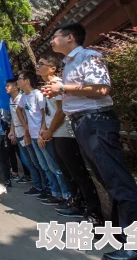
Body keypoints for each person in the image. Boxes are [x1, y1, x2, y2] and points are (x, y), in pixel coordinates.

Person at [42, 22, 137, 260]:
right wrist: (61, 91)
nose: (51, 41)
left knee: (118, 181)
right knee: (108, 181)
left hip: (96, 122)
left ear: (70, 38)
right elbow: (79, 91)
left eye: (55, 36)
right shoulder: (69, 64)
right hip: (84, 123)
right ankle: (119, 236)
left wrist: (64, 86)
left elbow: (102, 89)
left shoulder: (89, 56)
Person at [37, 54, 102, 220]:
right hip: (54, 133)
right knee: (67, 172)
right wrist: (44, 129)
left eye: (41, 63)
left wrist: (50, 130)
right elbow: (48, 112)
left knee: (77, 172)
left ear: (52, 68)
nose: (38, 66)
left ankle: (93, 210)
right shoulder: (47, 86)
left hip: (64, 133)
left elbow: (61, 111)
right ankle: (76, 202)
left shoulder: (57, 84)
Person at [17, 71, 70, 205]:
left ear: (27, 81)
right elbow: (19, 110)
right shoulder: (24, 96)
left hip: (43, 136)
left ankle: (66, 195)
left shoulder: (39, 95)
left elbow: (44, 115)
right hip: (34, 135)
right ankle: (54, 192)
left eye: (20, 79)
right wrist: (26, 128)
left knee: (54, 167)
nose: (18, 82)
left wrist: (43, 131)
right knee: (43, 166)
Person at [6, 78, 36, 188]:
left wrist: (26, 132)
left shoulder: (21, 99)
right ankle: (36, 183)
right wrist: (12, 131)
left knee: (33, 159)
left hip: (26, 132)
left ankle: (40, 183)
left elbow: (26, 116)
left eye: (8, 86)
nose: (6, 88)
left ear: (15, 87)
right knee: (26, 158)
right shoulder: (10, 100)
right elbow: (14, 118)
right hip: (18, 132)